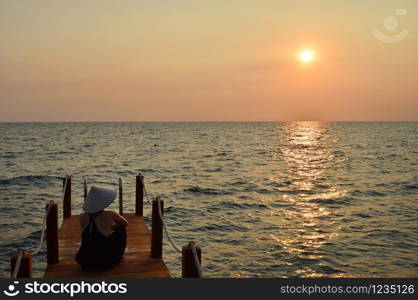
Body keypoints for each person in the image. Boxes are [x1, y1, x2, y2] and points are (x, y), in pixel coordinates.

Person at [75, 186, 128, 268]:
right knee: (121, 229)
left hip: (84, 259)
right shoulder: (110, 214)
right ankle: (118, 255)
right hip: (104, 260)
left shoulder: (82, 216)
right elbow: (125, 223)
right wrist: (113, 227)